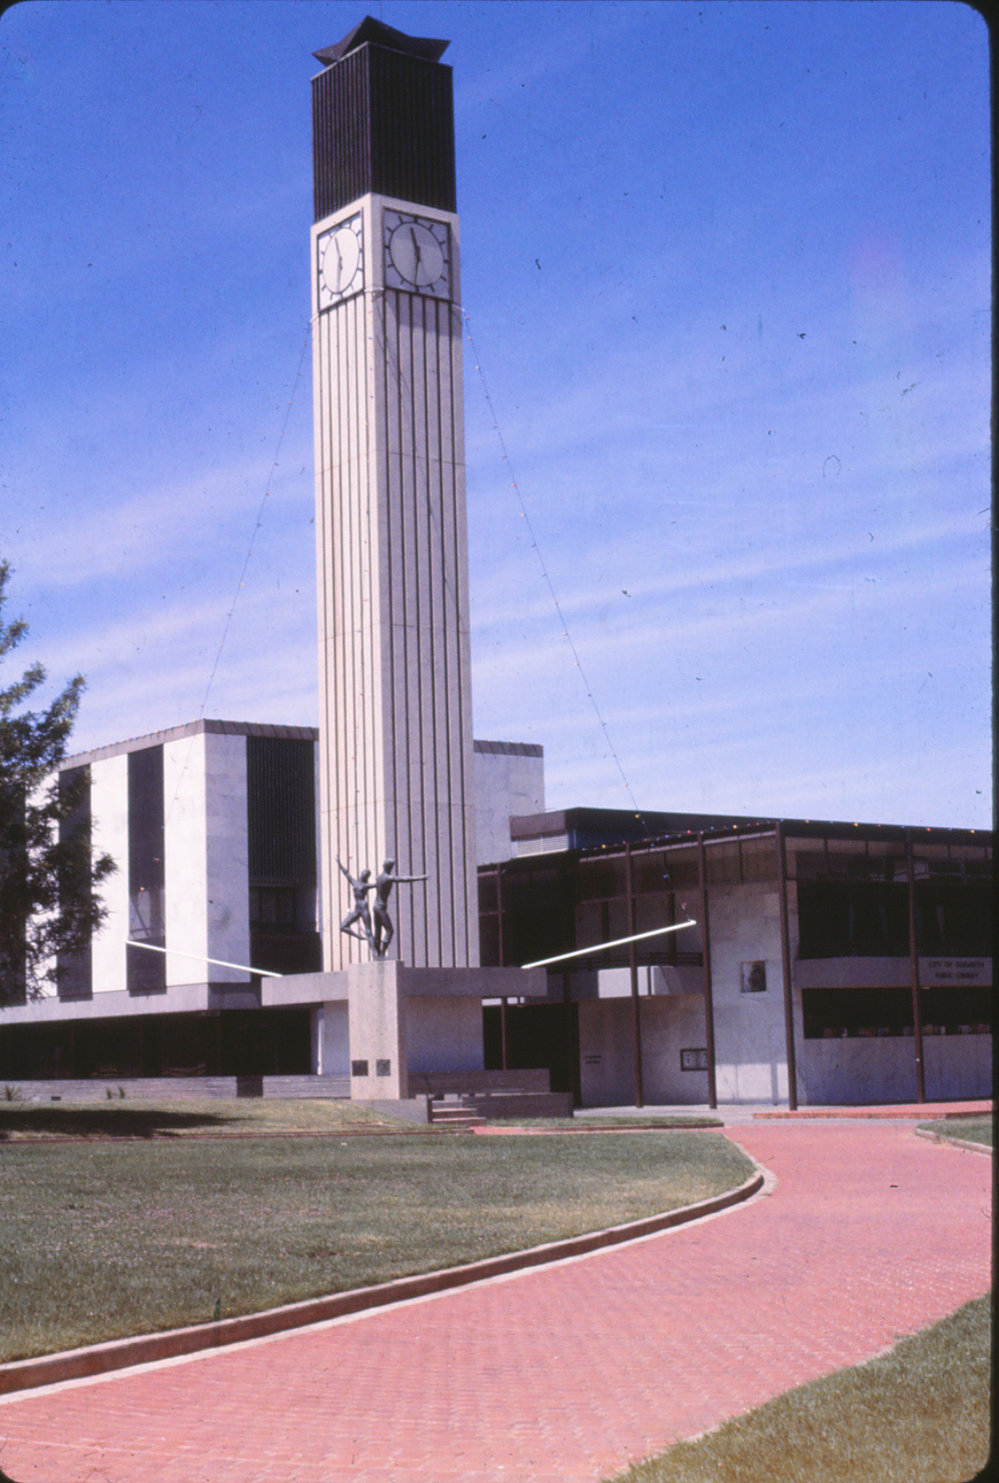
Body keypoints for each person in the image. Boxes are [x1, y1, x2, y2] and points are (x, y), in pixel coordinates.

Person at [372, 859, 427, 958]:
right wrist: (420, 878)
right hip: (381, 907)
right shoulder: (388, 878)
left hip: (375, 906)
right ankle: (382, 953)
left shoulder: (378, 877)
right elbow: (405, 879)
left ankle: (377, 953)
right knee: (390, 930)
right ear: (390, 867)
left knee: (378, 931)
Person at [336, 857, 375, 952]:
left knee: (368, 931)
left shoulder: (366, 885)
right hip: (357, 909)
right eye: (363, 873)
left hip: (364, 907)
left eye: (366, 874)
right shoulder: (355, 882)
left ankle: (375, 952)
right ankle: (359, 937)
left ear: (366, 877)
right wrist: (339, 863)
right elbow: (346, 873)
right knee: (343, 926)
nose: (363, 874)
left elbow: (379, 884)